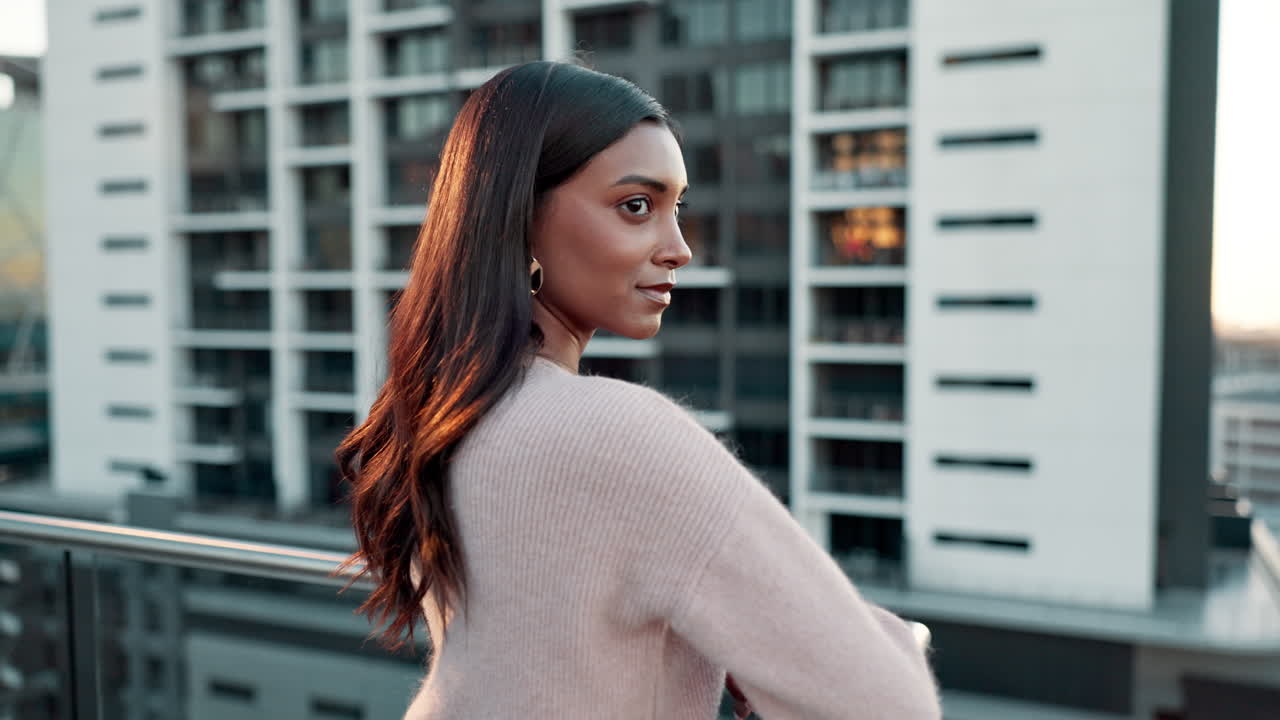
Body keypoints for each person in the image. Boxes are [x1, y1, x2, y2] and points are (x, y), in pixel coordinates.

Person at [334, 60, 941, 720]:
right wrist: (878, 641)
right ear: (522, 220)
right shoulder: (616, 433)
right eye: (636, 207)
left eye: (677, 209)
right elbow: (891, 701)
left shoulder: (446, 416)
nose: (679, 248)